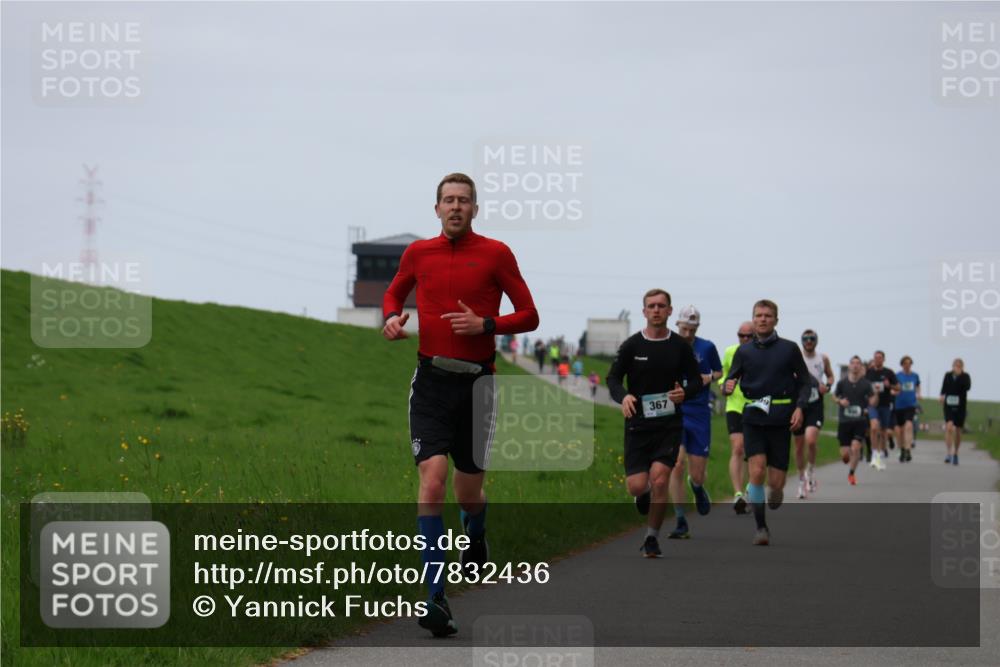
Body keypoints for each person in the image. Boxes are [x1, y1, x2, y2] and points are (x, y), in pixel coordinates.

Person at [382, 173, 539, 637]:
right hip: (431, 382)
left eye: (463, 201)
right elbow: (394, 292)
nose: (455, 207)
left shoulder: (496, 253)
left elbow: (530, 315)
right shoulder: (418, 253)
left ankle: (477, 531)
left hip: (478, 387)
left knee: (467, 493)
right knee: (432, 482)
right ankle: (436, 596)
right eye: (448, 200)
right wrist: (391, 318)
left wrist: (486, 324)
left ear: (474, 209)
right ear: (436, 209)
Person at [606, 289, 702, 558]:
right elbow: (612, 379)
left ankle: (651, 538)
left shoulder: (680, 346)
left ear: (670, 311)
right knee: (637, 486)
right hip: (637, 425)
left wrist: (685, 393)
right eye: (651, 306)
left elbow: (696, 380)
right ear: (644, 311)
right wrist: (624, 396)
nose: (656, 310)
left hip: (668, 425)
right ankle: (642, 494)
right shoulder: (632, 345)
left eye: (661, 306)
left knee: (660, 480)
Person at [723, 299, 811, 546]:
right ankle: (761, 528)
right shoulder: (744, 352)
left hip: (781, 419)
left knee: (776, 482)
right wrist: (727, 387)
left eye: (767, 315)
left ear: (776, 320)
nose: (762, 319)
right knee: (757, 470)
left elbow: (805, 382)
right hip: (753, 418)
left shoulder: (789, 349)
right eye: (759, 315)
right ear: (753, 319)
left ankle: (778, 490)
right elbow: (730, 380)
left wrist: (800, 408)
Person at [668, 305, 722, 538]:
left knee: (697, 473)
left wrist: (709, 377)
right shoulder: (668, 346)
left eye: (692, 329)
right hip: (675, 411)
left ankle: (697, 486)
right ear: (677, 325)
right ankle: (680, 519)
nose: (688, 334)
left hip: (699, 412)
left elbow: (719, 371)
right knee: (677, 464)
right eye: (684, 329)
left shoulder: (707, 347)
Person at [793, 329, 835, 498]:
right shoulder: (796, 357)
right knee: (798, 446)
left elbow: (830, 376)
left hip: (815, 404)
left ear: (816, 341)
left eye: (812, 338)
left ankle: (810, 471)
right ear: (802, 341)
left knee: (810, 440)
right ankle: (801, 479)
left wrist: (828, 386)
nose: (809, 341)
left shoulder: (823, 358)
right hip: (798, 405)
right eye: (806, 339)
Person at [719, 322, 753, 514]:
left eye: (749, 336)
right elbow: (724, 375)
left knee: (752, 452)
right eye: (741, 335)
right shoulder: (730, 352)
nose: (745, 339)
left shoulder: (761, 353)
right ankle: (738, 493)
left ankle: (750, 489)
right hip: (734, 406)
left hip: (755, 406)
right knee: (738, 447)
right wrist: (723, 386)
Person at [834, 356, 876, 486]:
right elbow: (834, 397)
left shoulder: (866, 384)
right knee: (845, 456)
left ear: (861, 367)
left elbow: (872, 399)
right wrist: (840, 401)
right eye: (853, 363)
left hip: (860, 421)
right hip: (844, 421)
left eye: (858, 363)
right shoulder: (842, 383)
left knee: (856, 447)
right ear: (849, 366)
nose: (855, 365)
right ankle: (848, 459)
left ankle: (851, 473)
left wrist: (869, 406)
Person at [865, 351, 899, 471]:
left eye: (880, 358)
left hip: (885, 405)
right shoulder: (868, 372)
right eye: (875, 357)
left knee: (883, 431)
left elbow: (898, 387)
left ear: (883, 359)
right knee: (874, 427)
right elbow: (863, 386)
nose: (877, 359)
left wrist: (890, 385)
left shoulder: (889, 372)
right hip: (872, 405)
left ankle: (880, 453)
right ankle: (874, 453)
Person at [940, 358, 972, 465]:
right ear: (952, 366)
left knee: (958, 430)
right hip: (948, 404)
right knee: (949, 427)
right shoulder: (948, 375)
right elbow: (944, 387)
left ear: (962, 367)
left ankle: (956, 453)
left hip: (960, 406)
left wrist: (960, 376)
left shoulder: (965, 376)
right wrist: (942, 395)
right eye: (955, 365)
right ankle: (948, 453)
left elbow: (967, 387)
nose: (957, 367)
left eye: (959, 366)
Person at [893, 356, 920, 463]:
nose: (907, 365)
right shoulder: (897, 376)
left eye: (909, 363)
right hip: (899, 405)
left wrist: (918, 394)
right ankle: (902, 449)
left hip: (911, 405)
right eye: (905, 363)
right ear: (902, 364)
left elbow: (917, 385)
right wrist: (894, 392)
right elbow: (894, 388)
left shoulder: (915, 376)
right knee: (899, 430)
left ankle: (908, 449)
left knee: (908, 426)